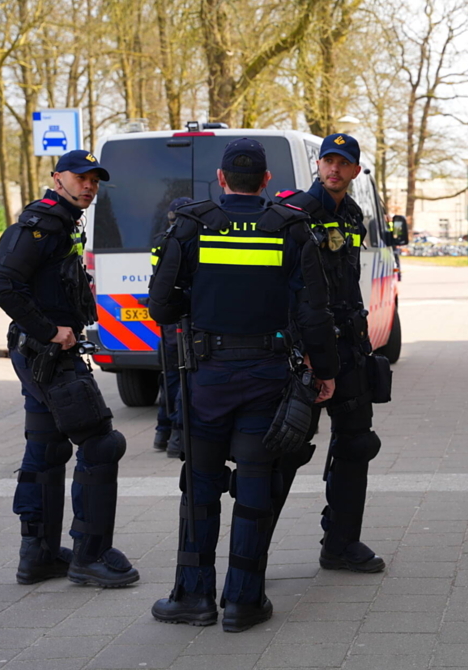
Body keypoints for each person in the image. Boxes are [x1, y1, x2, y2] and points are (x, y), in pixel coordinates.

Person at [147, 138, 339, 631]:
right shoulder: (291, 227)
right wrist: (327, 371)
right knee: (255, 485)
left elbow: (162, 306)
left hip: (207, 376)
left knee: (201, 486)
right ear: (267, 181)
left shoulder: (191, 224)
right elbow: (314, 314)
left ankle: (192, 598)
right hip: (267, 376)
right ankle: (243, 602)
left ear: (221, 178)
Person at [0, 149, 139, 588]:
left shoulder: (66, 220)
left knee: (47, 449)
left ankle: (38, 556)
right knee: (102, 444)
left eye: (94, 179)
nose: (88, 185)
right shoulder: (43, 222)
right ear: (58, 179)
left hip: (41, 356)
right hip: (48, 357)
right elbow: (2, 282)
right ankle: (89, 557)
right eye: (80, 177)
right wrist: (50, 331)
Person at [269, 133, 388, 575]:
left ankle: (341, 543)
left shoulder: (354, 214)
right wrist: (302, 353)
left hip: (347, 347)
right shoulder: (294, 213)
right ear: (318, 164)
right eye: (328, 161)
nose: (334, 170)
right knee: (287, 449)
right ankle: (252, 555)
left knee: (358, 444)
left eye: (344, 163)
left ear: (356, 171)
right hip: (305, 352)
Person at [151, 197, 192, 456]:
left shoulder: (161, 241)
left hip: (167, 323)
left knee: (170, 379)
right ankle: (177, 437)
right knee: (184, 380)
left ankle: (162, 432)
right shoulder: (187, 243)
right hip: (184, 321)